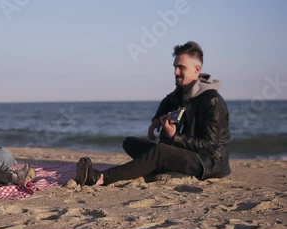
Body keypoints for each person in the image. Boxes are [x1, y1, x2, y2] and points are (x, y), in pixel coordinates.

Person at [76, 41, 231, 186]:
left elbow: (210, 146)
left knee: (160, 151)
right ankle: (163, 166)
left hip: (209, 164)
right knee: (129, 142)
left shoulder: (213, 101)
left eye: (181, 67)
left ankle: (100, 178)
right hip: (188, 153)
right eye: (175, 67)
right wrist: (156, 121)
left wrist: (174, 137)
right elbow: (167, 101)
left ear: (197, 69)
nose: (176, 72)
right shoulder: (183, 91)